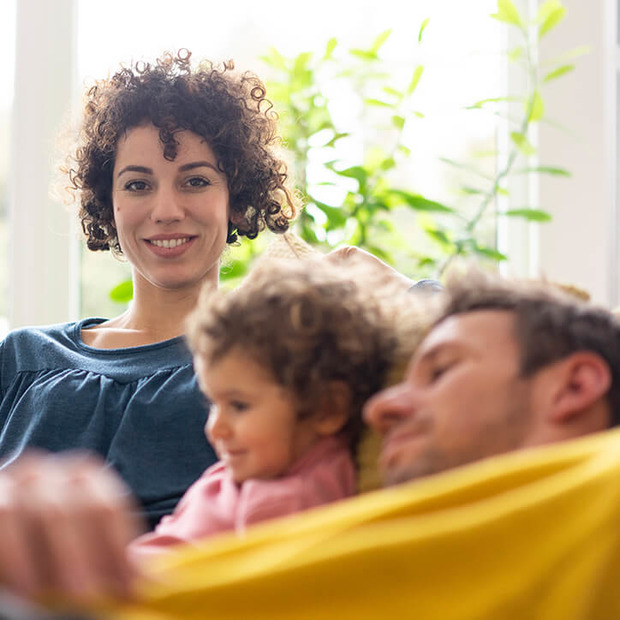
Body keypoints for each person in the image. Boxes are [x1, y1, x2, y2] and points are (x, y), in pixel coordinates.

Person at [0, 48, 298, 536]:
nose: (165, 210)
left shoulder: (272, 360)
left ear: (237, 203)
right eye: (137, 185)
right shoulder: (21, 359)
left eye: (195, 181)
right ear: (108, 206)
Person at [129, 258, 398, 560]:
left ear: (327, 409)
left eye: (239, 405)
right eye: (213, 404)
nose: (215, 428)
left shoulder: (293, 499)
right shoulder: (264, 472)